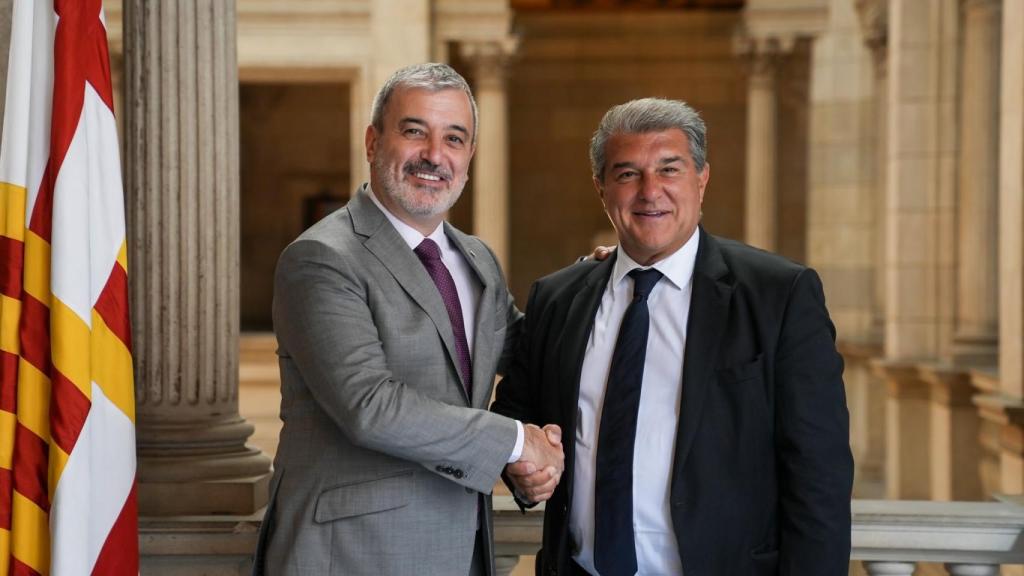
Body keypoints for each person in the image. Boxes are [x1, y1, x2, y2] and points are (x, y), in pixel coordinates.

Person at [492, 97, 853, 575]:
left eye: (669, 170)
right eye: (627, 174)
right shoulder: (557, 299)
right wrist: (522, 469)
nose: (650, 192)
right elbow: (516, 415)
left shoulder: (778, 296)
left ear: (701, 179)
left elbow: (819, 479)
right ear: (601, 188)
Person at [252, 63, 564, 576]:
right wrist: (514, 443)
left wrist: (604, 281)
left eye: (454, 138)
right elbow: (369, 406)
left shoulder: (477, 260)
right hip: (348, 555)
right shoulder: (322, 258)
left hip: (461, 551)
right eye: (415, 131)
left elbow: (533, 350)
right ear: (373, 142)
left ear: (469, 157)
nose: (434, 155)